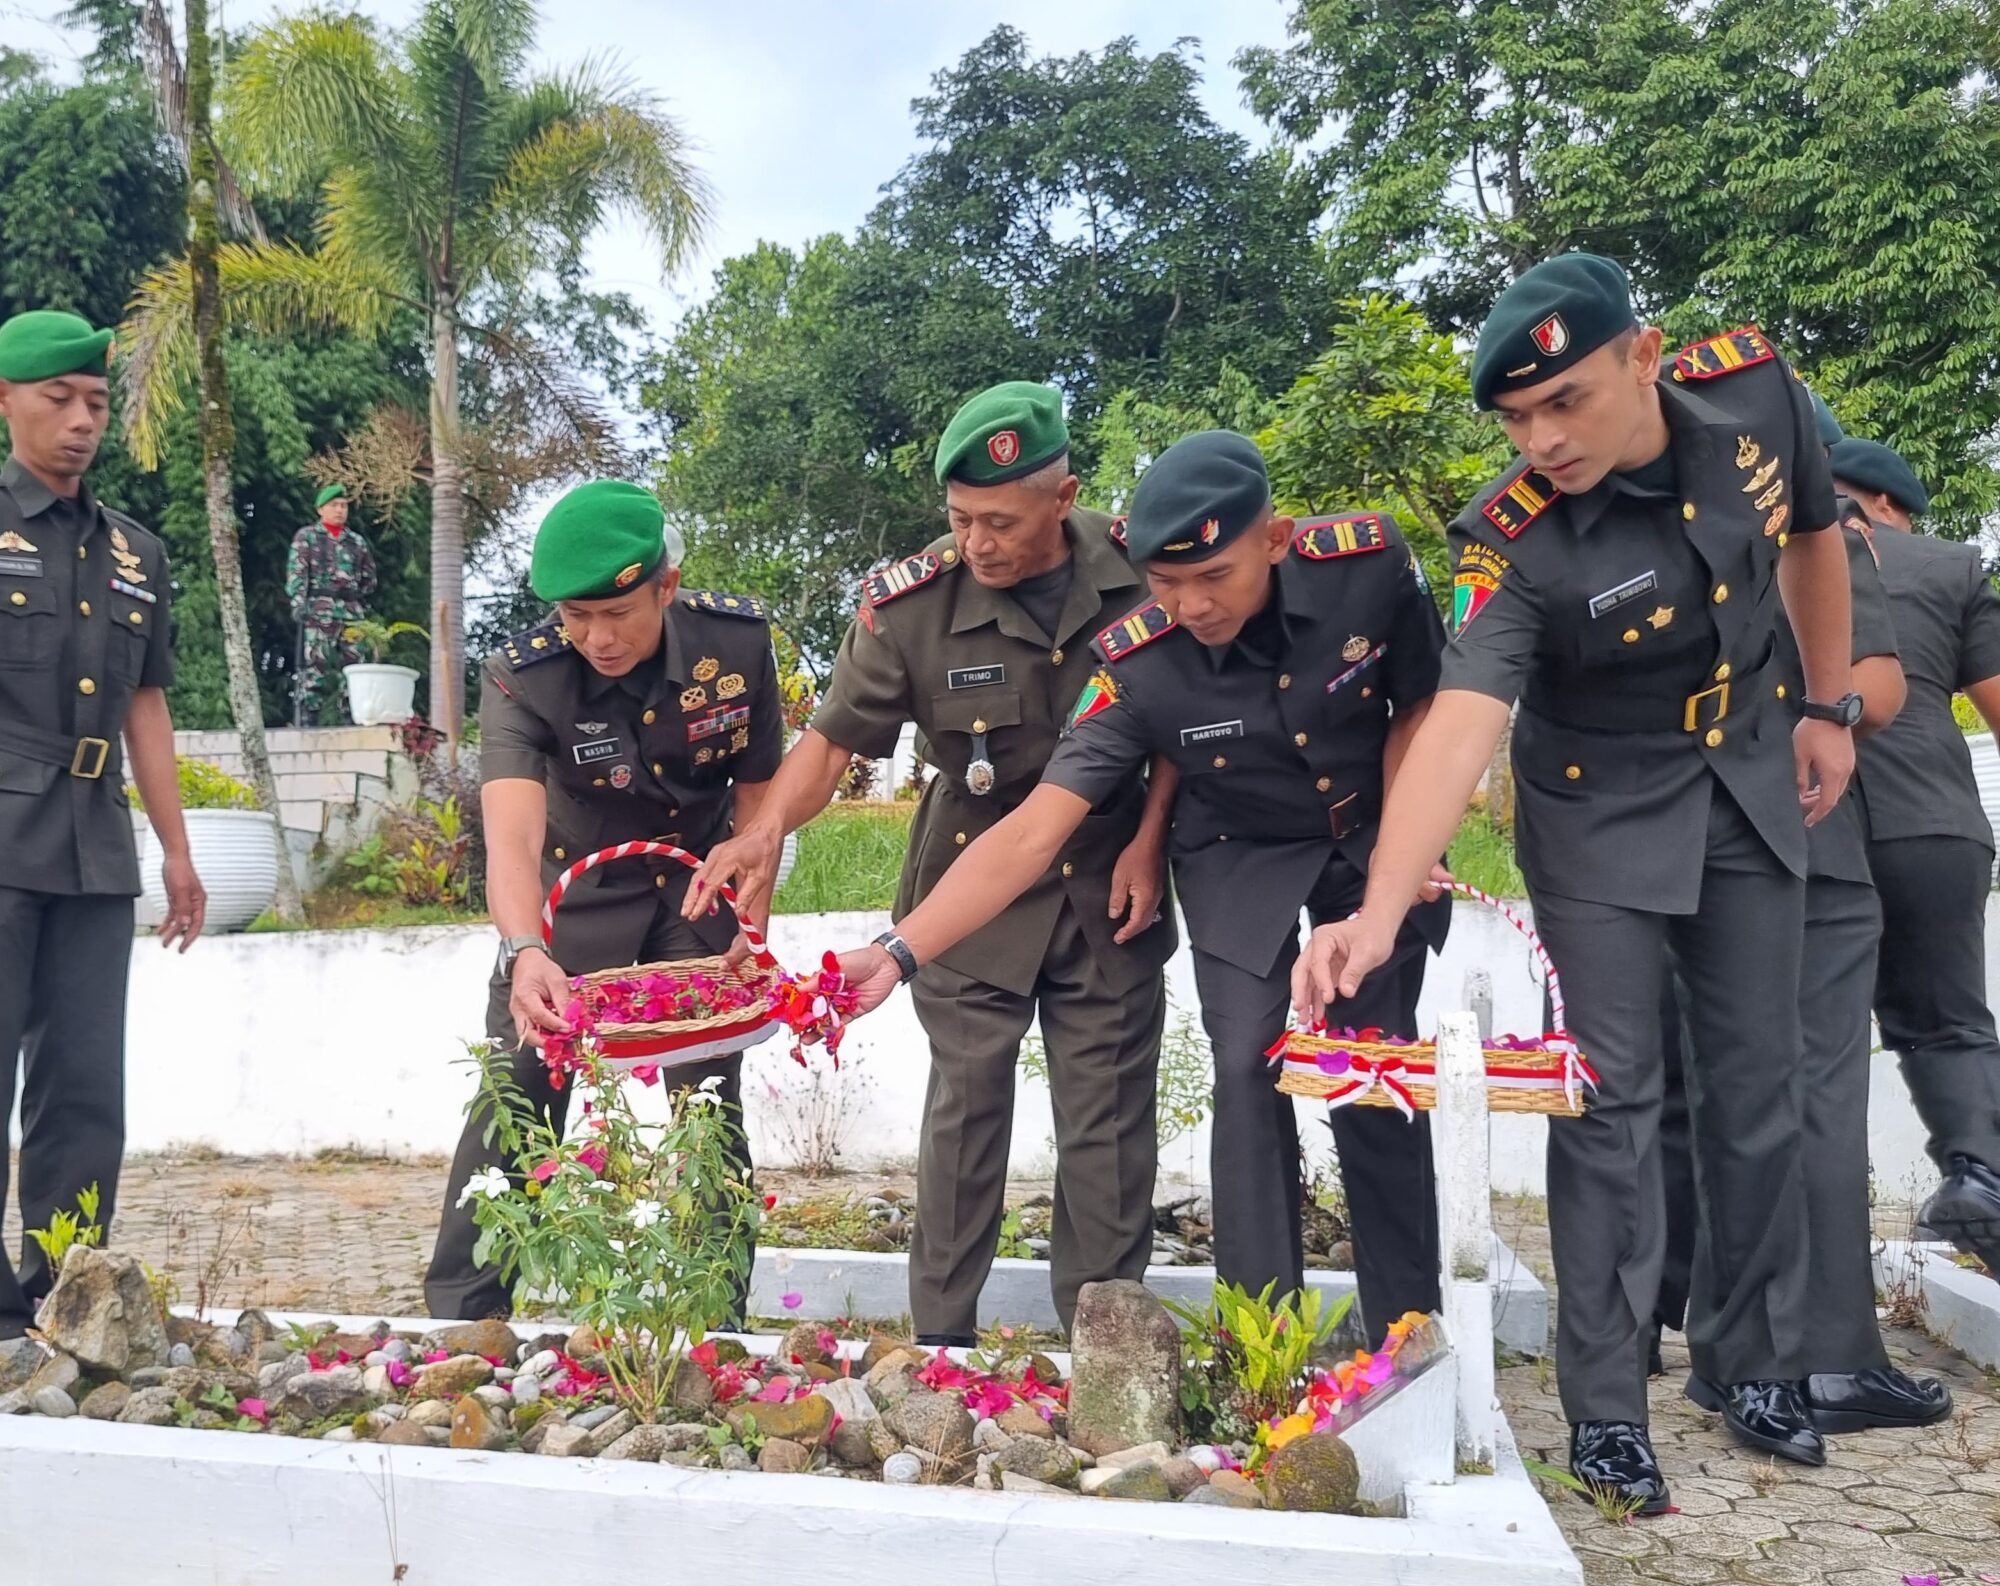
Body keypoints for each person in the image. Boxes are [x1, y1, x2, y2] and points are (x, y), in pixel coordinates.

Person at [1292, 253, 1862, 1510]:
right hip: (1600, 816)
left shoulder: (1762, 398)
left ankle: (1749, 1364)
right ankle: (1607, 1406)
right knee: (1607, 1102)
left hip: (1753, 782)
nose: (1540, 439)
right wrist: (1381, 907)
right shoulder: (1514, 542)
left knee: (1761, 1084)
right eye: (1514, 418)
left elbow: (1816, 538)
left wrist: (1828, 703)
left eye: (1566, 403)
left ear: (1644, 356)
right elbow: (1455, 724)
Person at [832, 432, 1450, 1344]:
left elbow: (1425, 705)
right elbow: (1035, 829)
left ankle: (1407, 1329)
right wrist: (899, 950)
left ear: (1274, 540)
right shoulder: (1134, 663)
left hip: (1375, 834)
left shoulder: (1366, 567)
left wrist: (1408, 846)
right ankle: (1261, 1341)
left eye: (1215, 577)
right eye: (1165, 582)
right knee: (1251, 1063)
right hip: (1237, 853)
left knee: (1373, 1068)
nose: (1192, 605)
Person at [685, 382, 1174, 1342]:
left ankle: (1103, 1349)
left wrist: (1154, 843)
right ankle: (940, 1340)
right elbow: (831, 743)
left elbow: (1176, 727)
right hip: (966, 890)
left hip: (1108, 876)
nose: (978, 542)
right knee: (966, 1112)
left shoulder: (1141, 568)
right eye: (959, 519)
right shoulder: (912, 604)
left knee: (1107, 1121)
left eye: (1000, 520)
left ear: (1063, 496)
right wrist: (765, 828)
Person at [0, 308, 208, 1361]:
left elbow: (145, 710)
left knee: (84, 1094)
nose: (79, 422)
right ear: (2, 399)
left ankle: (69, 1296)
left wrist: (177, 848)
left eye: (97, 403)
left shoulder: (135, 553)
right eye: (57, 399)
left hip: (92, 844)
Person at [423, 480, 782, 1321]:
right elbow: (508, 840)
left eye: (615, 612)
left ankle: (715, 1324)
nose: (594, 637)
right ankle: (461, 1319)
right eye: (574, 616)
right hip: (570, 906)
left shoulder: (733, 645)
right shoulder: (526, 676)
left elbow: (760, 805)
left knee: (706, 1097)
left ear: (665, 583)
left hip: (696, 897)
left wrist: (751, 930)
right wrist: (525, 951)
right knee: (517, 1089)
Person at [1653, 470, 1950, 1430]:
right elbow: (1880, 682)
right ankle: (1821, 1362)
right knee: (1814, 1099)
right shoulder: (1811, 525)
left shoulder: (1629, 516)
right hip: (1802, 844)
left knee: (1721, 1101)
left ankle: (1732, 1354)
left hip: (1663, 847)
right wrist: (1823, 722)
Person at [1830, 436, 2000, 1269]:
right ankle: (1978, 1174)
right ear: (1886, 502)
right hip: (1936, 824)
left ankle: (1811, 1217)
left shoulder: (1775, 546)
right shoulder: (1951, 567)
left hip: (1818, 821)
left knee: (1808, 1039)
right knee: (1948, 1024)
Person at [285, 483, 379, 724]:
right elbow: (297, 573)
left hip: (350, 612)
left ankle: (352, 715)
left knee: (355, 667)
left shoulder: (356, 541)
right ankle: (309, 716)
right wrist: (298, 603)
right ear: (320, 509)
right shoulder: (307, 537)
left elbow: (369, 579)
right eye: (334, 505)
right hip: (318, 611)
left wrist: (356, 598)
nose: (340, 510)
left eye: (343, 506)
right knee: (316, 664)